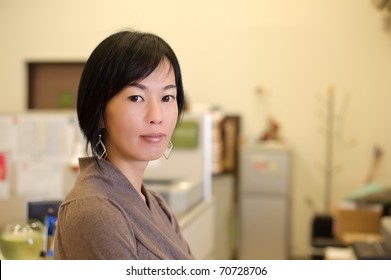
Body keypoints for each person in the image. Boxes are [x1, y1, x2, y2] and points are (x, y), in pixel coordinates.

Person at [54, 30, 193, 260]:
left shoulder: (156, 204)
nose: (156, 115)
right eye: (136, 97)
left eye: (167, 97)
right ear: (99, 112)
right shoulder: (95, 210)